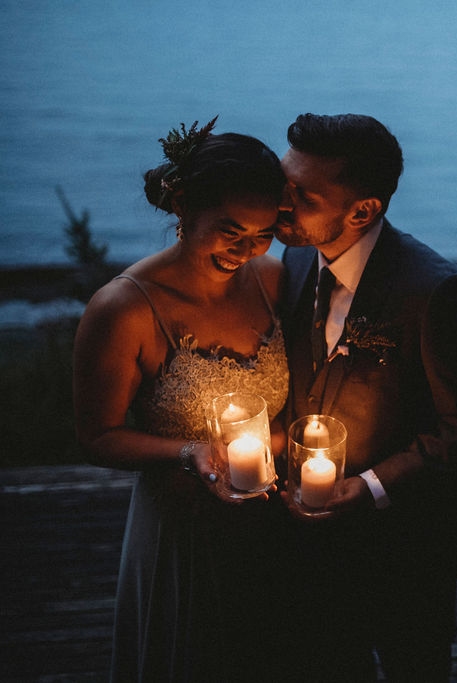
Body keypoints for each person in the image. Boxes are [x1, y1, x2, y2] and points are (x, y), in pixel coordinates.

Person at [275, 113, 457, 681]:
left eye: (302, 195)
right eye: (284, 184)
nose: (281, 204)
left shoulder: (437, 292)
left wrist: (372, 486)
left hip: (410, 546)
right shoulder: (299, 255)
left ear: (363, 210)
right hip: (309, 544)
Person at [72, 118, 289, 681]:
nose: (247, 250)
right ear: (183, 205)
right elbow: (97, 437)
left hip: (274, 532)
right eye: (230, 230)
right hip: (184, 535)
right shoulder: (123, 308)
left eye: (263, 234)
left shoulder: (274, 280)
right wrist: (188, 452)